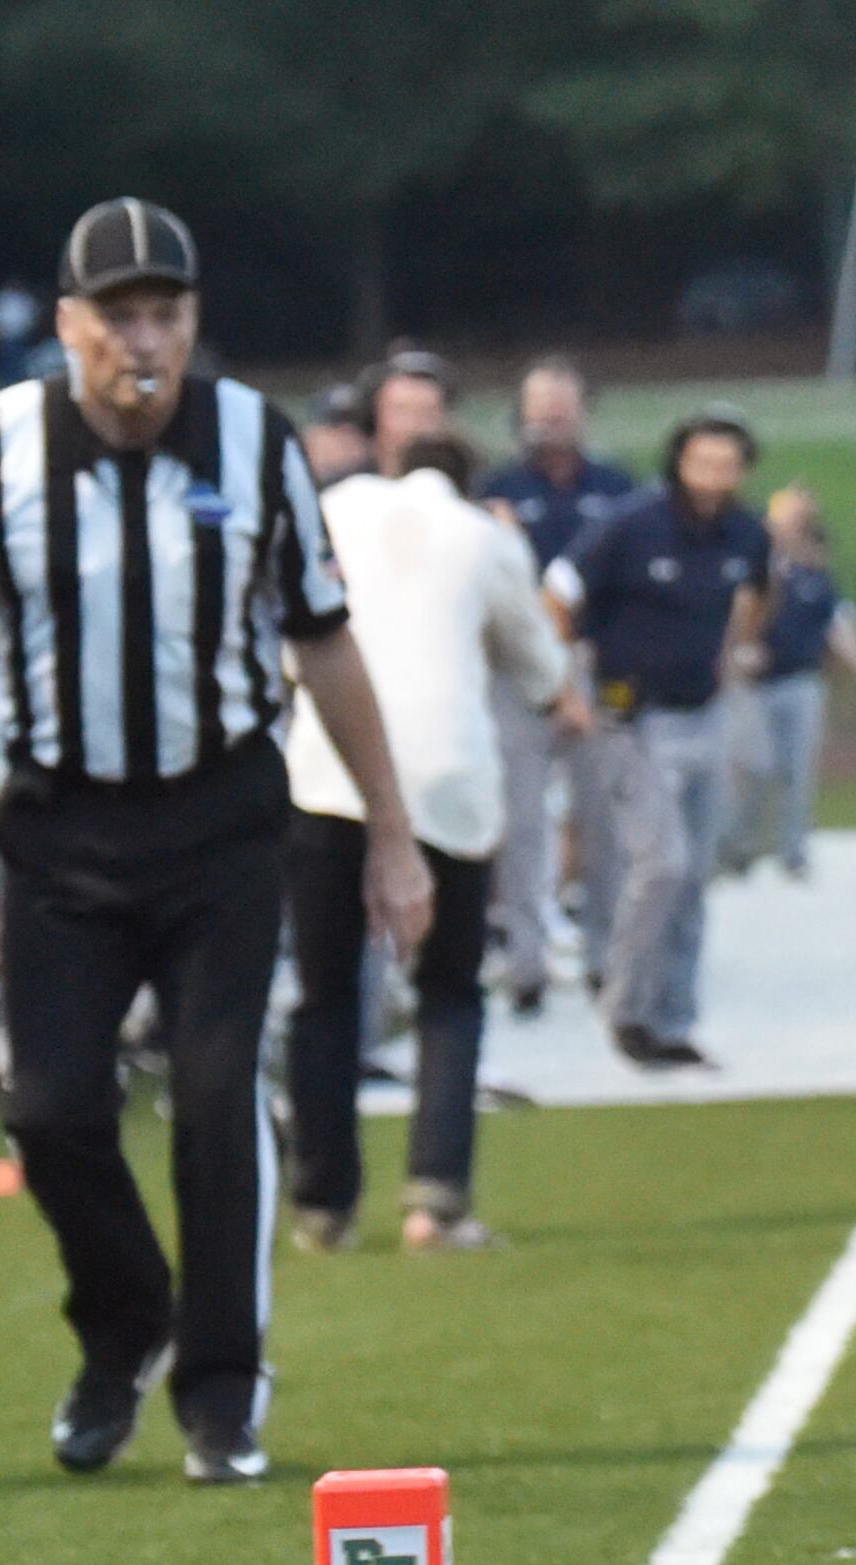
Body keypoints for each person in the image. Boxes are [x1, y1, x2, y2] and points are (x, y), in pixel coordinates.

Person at [0, 197, 435, 1486]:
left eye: (168, 315)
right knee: (51, 1112)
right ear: (71, 324)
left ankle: (220, 1387)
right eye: (120, 316)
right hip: (61, 827)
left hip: (219, 822)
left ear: (194, 321)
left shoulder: (255, 441)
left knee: (211, 1099)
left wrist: (392, 833)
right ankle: (125, 1320)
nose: (145, 343)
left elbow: (323, 643)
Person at [283, 429, 565, 1253]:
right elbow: (538, 665)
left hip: (328, 773)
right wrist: (562, 700)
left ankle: (322, 1205)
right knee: (449, 991)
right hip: (447, 783)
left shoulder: (333, 507)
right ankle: (435, 1201)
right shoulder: (487, 535)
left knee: (327, 995)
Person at [551, 405, 768, 1068]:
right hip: (632, 716)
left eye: (727, 464)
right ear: (678, 462)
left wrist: (731, 652)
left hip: (702, 712)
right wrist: (566, 683)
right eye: (703, 461)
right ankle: (625, 1008)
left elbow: (759, 594)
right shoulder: (631, 526)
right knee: (662, 864)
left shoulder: (743, 533)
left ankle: (672, 1019)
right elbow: (556, 595)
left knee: (695, 874)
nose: (714, 475)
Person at [477, 356, 631, 1014]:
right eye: (540, 414)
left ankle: (604, 954)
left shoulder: (616, 488)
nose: (551, 425)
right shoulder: (498, 489)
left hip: (590, 659)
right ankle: (528, 960)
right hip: (517, 667)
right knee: (522, 819)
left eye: (561, 413)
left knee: (602, 816)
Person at [723, 485, 856, 878]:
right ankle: (741, 845)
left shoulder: (816, 577)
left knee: (798, 770)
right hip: (756, 685)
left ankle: (793, 850)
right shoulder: (751, 570)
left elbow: (838, 624)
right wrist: (738, 654)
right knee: (754, 767)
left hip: (800, 681)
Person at [362, 348, 453, 475]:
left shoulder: (475, 487)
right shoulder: (345, 488)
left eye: (427, 413)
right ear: (374, 416)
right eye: (401, 411)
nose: (414, 425)